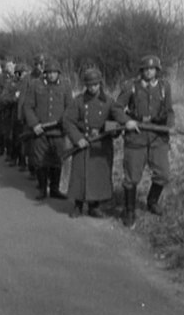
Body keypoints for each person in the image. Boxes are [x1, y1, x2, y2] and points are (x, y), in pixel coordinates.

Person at [62, 69, 137, 218]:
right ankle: (78, 205)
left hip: (101, 145)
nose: (92, 88)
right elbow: (67, 121)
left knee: (99, 177)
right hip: (82, 143)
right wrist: (78, 139)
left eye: (95, 84)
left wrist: (109, 129)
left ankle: (94, 207)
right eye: (89, 85)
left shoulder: (109, 101)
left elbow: (116, 121)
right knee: (79, 176)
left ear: (100, 84)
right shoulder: (78, 101)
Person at [115, 55, 174, 227]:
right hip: (136, 137)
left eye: (152, 69)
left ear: (157, 70)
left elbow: (170, 111)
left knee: (163, 173)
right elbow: (117, 108)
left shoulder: (164, 87)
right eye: (146, 69)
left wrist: (170, 125)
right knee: (131, 177)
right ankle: (130, 211)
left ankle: (152, 201)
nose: (149, 72)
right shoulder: (130, 86)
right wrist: (127, 121)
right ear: (141, 71)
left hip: (157, 137)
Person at [23, 58, 72, 200]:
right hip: (40, 130)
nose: (51, 75)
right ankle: (42, 189)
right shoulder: (35, 85)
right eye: (48, 72)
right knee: (40, 160)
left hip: (58, 131)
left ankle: (55, 189)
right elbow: (28, 106)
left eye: (54, 72)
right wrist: (34, 124)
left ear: (58, 73)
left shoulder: (66, 86)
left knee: (57, 159)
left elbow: (70, 107)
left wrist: (65, 121)